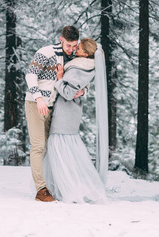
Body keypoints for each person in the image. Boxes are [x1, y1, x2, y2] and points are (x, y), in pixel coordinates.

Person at [43, 38, 109, 204]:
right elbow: (77, 88)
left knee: (60, 148)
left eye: (78, 47)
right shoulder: (85, 66)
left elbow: (66, 92)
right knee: (67, 150)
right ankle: (63, 187)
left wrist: (59, 78)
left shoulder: (77, 68)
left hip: (65, 112)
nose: (75, 49)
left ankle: (68, 189)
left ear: (85, 53)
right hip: (71, 112)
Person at [25, 26, 85, 202]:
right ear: (61, 40)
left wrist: (83, 91)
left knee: (50, 147)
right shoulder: (46, 52)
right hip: (36, 104)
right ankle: (41, 190)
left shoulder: (73, 59)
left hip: (55, 108)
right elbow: (30, 76)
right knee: (38, 146)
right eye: (68, 45)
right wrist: (39, 99)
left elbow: (79, 79)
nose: (71, 49)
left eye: (74, 45)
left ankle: (53, 185)